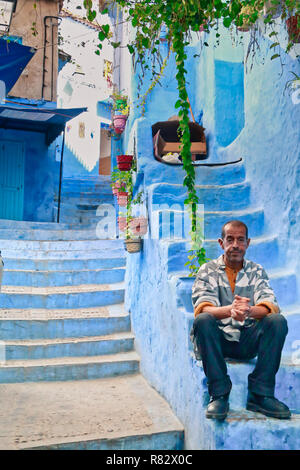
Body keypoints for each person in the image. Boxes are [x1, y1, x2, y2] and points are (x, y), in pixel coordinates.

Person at [191, 220, 291, 420]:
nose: (235, 245)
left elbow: (269, 304)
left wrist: (247, 311)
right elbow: (203, 306)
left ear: (248, 243)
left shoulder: (257, 271)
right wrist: (230, 310)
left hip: (246, 340)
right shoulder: (207, 270)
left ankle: (260, 394)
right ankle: (219, 394)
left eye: (240, 239)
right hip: (217, 342)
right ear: (221, 243)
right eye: (230, 239)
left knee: (277, 321)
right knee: (203, 320)